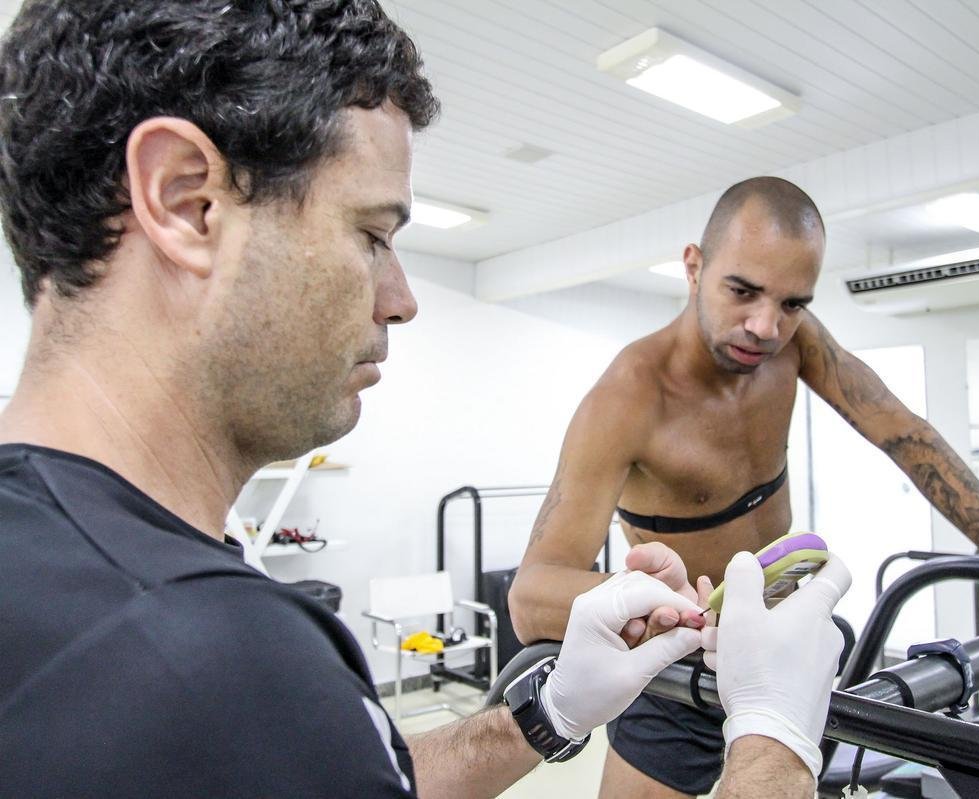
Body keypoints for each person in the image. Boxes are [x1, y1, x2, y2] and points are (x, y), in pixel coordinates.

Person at [0, 2, 848, 797]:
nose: (402, 297)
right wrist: (772, 738)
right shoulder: (203, 656)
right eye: (372, 236)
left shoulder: (79, 583)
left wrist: (545, 713)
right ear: (187, 201)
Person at [509, 176, 979, 798]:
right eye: (743, 291)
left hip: (790, 651)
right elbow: (533, 594)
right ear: (694, 266)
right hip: (681, 670)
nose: (765, 326)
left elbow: (907, 437)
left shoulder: (792, 342)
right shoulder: (629, 396)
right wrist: (665, 609)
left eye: (792, 303)